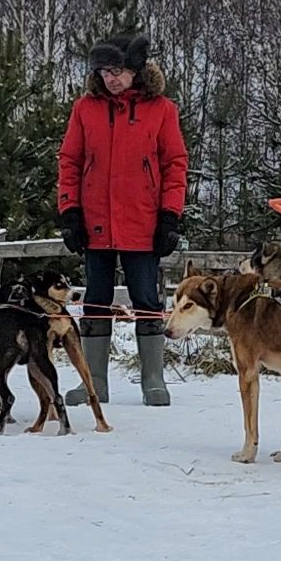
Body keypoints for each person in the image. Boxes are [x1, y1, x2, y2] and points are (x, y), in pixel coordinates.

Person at [56, 33, 189, 407]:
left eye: (116, 71)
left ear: (135, 70)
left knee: (146, 298)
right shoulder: (85, 109)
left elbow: (175, 164)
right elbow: (70, 161)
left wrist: (170, 216)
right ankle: (93, 381)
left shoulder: (162, 110)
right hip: (95, 223)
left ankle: (153, 379)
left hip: (143, 223)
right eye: (103, 72)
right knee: (96, 300)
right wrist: (70, 211)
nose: (110, 79)